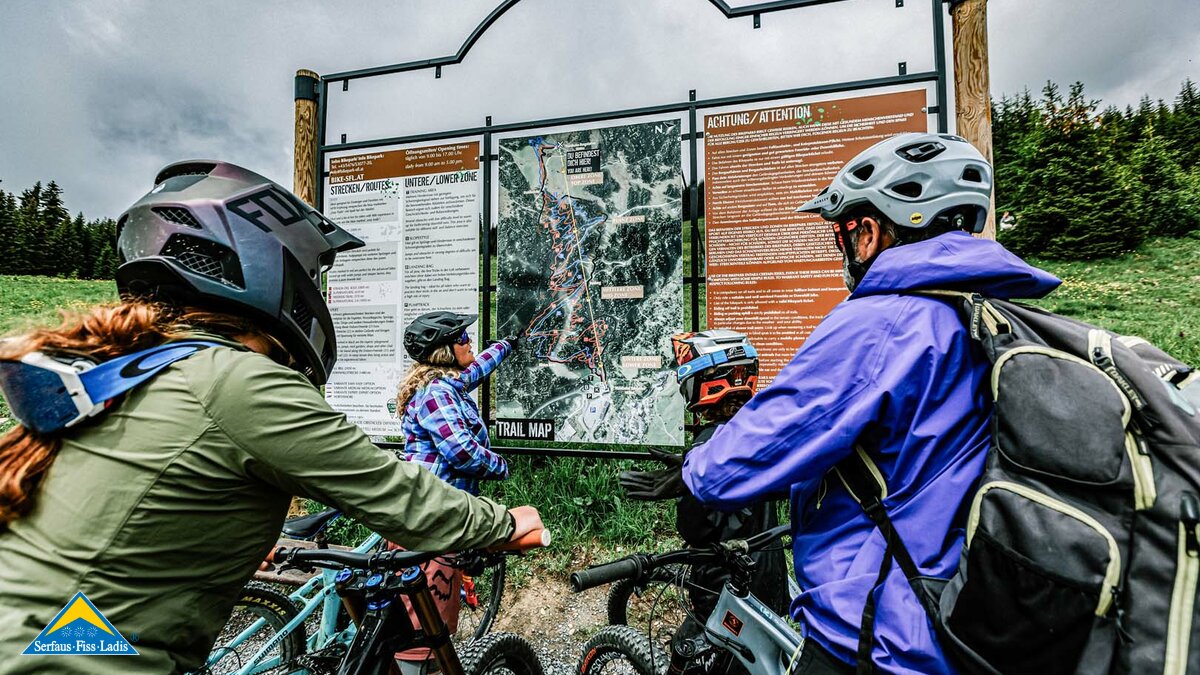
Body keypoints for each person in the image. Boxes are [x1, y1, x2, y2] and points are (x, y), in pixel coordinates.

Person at [0, 161, 542, 675]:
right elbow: (388, 489)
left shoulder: (129, 372)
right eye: (311, 274)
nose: (318, 291)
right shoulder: (236, 379)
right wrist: (501, 523)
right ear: (263, 265)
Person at [647, 133, 1060, 674]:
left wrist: (695, 466)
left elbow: (750, 454)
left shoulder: (880, 323)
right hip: (980, 619)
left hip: (885, 634)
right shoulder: (997, 316)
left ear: (865, 232)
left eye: (839, 233)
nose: (841, 250)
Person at [619, 330, 790, 675]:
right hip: (771, 580)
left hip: (723, 586)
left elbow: (694, 527)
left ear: (702, 384)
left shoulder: (708, 444)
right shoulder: (758, 430)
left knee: (688, 659)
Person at [389, 313, 518, 673]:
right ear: (444, 350)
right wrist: (500, 465)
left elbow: (477, 370)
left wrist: (507, 345)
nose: (469, 342)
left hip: (437, 509)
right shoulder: (437, 392)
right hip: (429, 514)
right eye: (462, 337)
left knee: (426, 612)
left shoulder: (448, 382)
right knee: (424, 625)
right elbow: (460, 450)